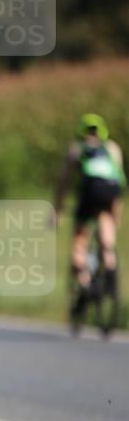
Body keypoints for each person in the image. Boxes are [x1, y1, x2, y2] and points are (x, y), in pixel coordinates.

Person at [53, 113, 124, 298]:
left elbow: (63, 182)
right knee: (107, 238)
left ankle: (84, 284)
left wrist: (57, 210)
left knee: (80, 239)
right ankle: (110, 268)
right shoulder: (112, 148)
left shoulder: (77, 148)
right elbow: (120, 179)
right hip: (112, 192)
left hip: (90, 192)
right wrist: (117, 216)